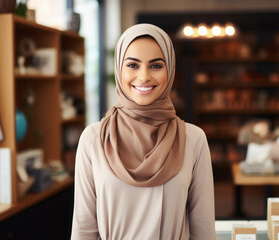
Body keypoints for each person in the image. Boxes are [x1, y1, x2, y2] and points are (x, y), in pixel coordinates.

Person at [71, 23, 215, 240]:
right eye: (132, 65)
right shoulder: (93, 139)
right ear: (119, 69)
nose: (144, 76)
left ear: (171, 71)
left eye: (156, 66)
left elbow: (203, 230)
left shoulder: (193, 139)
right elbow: (84, 230)